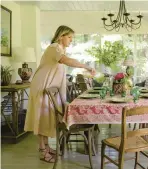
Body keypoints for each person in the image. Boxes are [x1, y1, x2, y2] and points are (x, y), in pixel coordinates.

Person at [24, 25, 95, 163]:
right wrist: (86, 66)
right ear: (61, 36)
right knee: (42, 117)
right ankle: (42, 150)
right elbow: (65, 61)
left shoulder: (59, 49)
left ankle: (46, 147)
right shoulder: (54, 47)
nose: (71, 40)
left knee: (47, 117)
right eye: (69, 37)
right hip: (42, 86)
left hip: (48, 86)